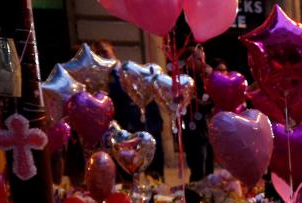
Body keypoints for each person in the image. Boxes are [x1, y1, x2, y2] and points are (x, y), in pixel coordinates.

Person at [92, 40, 164, 180]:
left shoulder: (131, 69)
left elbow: (150, 93)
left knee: (155, 177)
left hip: (148, 127)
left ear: (113, 50)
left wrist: (156, 124)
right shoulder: (102, 80)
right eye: (98, 54)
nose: (102, 56)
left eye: (104, 51)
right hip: (124, 134)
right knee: (128, 177)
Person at [180, 46, 214, 182]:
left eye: (203, 59)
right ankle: (195, 200)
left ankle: (206, 199)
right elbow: (196, 105)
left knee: (208, 169)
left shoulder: (201, 79)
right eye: (199, 59)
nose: (204, 63)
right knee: (199, 170)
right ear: (189, 61)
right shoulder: (184, 79)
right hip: (193, 131)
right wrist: (213, 99)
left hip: (204, 130)